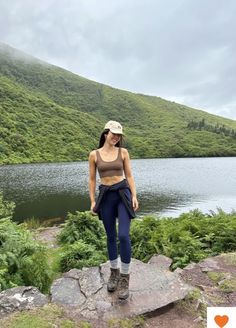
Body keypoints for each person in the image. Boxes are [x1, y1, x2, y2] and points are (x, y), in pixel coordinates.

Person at [88, 120, 139, 300]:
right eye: (113, 134)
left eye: (119, 135)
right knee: (110, 236)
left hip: (122, 195)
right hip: (106, 197)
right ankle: (114, 273)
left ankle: (125, 278)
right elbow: (92, 180)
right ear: (105, 133)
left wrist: (134, 195)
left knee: (124, 235)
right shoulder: (94, 155)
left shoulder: (123, 152)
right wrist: (93, 200)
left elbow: (130, 175)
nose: (116, 137)